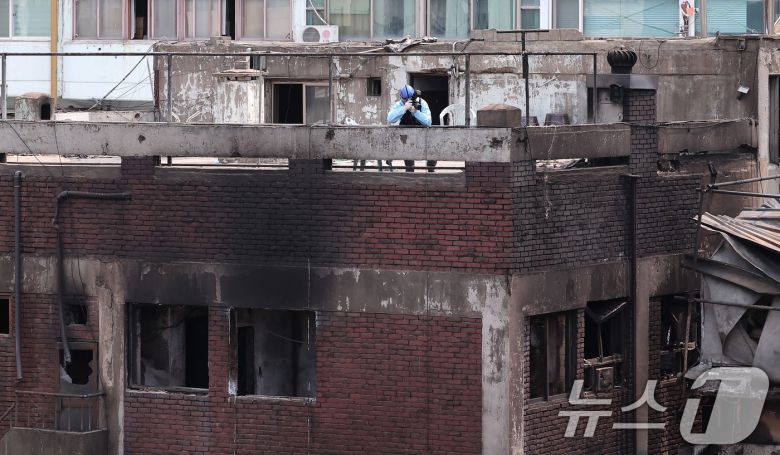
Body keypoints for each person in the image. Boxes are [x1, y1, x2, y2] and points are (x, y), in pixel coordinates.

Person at [387, 85, 435, 172]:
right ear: (402, 98)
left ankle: (430, 168)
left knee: (434, 143)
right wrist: (404, 108)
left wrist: (416, 112)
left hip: (422, 135)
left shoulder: (421, 102)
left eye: (410, 99)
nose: (408, 101)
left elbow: (428, 122)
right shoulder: (400, 104)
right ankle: (409, 168)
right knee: (406, 150)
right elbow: (390, 118)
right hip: (406, 138)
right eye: (405, 99)